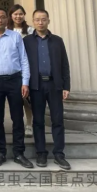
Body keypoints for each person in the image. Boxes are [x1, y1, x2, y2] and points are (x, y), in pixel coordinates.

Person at [0, 8, 33, 169]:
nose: (0, 20)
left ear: (6, 19)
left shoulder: (15, 36)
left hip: (15, 80)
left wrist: (25, 82)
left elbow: (24, 59)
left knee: (17, 118)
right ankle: (0, 152)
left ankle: (19, 153)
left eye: (3, 17)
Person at [24, 10, 72, 170]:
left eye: (43, 19)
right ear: (33, 21)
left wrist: (66, 86)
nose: (40, 22)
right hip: (36, 85)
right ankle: (41, 153)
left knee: (57, 120)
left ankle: (59, 154)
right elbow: (23, 63)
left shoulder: (57, 41)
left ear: (48, 21)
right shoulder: (27, 41)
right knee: (38, 121)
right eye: (37, 20)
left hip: (54, 85)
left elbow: (64, 64)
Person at [7, 5, 35, 139]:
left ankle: (29, 124)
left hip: (28, 66)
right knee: (16, 100)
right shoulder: (6, 30)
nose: (18, 16)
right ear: (11, 16)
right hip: (13, 68)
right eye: (15, 14)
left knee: (27, 98)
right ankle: (17, 124)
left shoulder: (30, 30)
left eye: (20, 14)